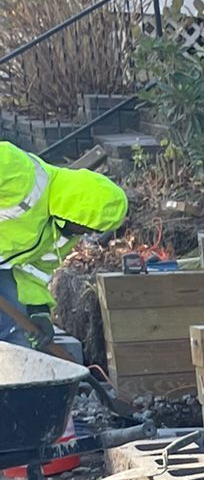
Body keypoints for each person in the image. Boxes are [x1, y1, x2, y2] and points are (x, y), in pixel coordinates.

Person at [0, 142, 128, 345]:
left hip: (4, 270)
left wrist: (38, 310)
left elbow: (34, 270)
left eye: (95, 230)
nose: (88, 234)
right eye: (87, 226)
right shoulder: (21, 173)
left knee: (16, 334)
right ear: (75, 211)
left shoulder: (62, 235)